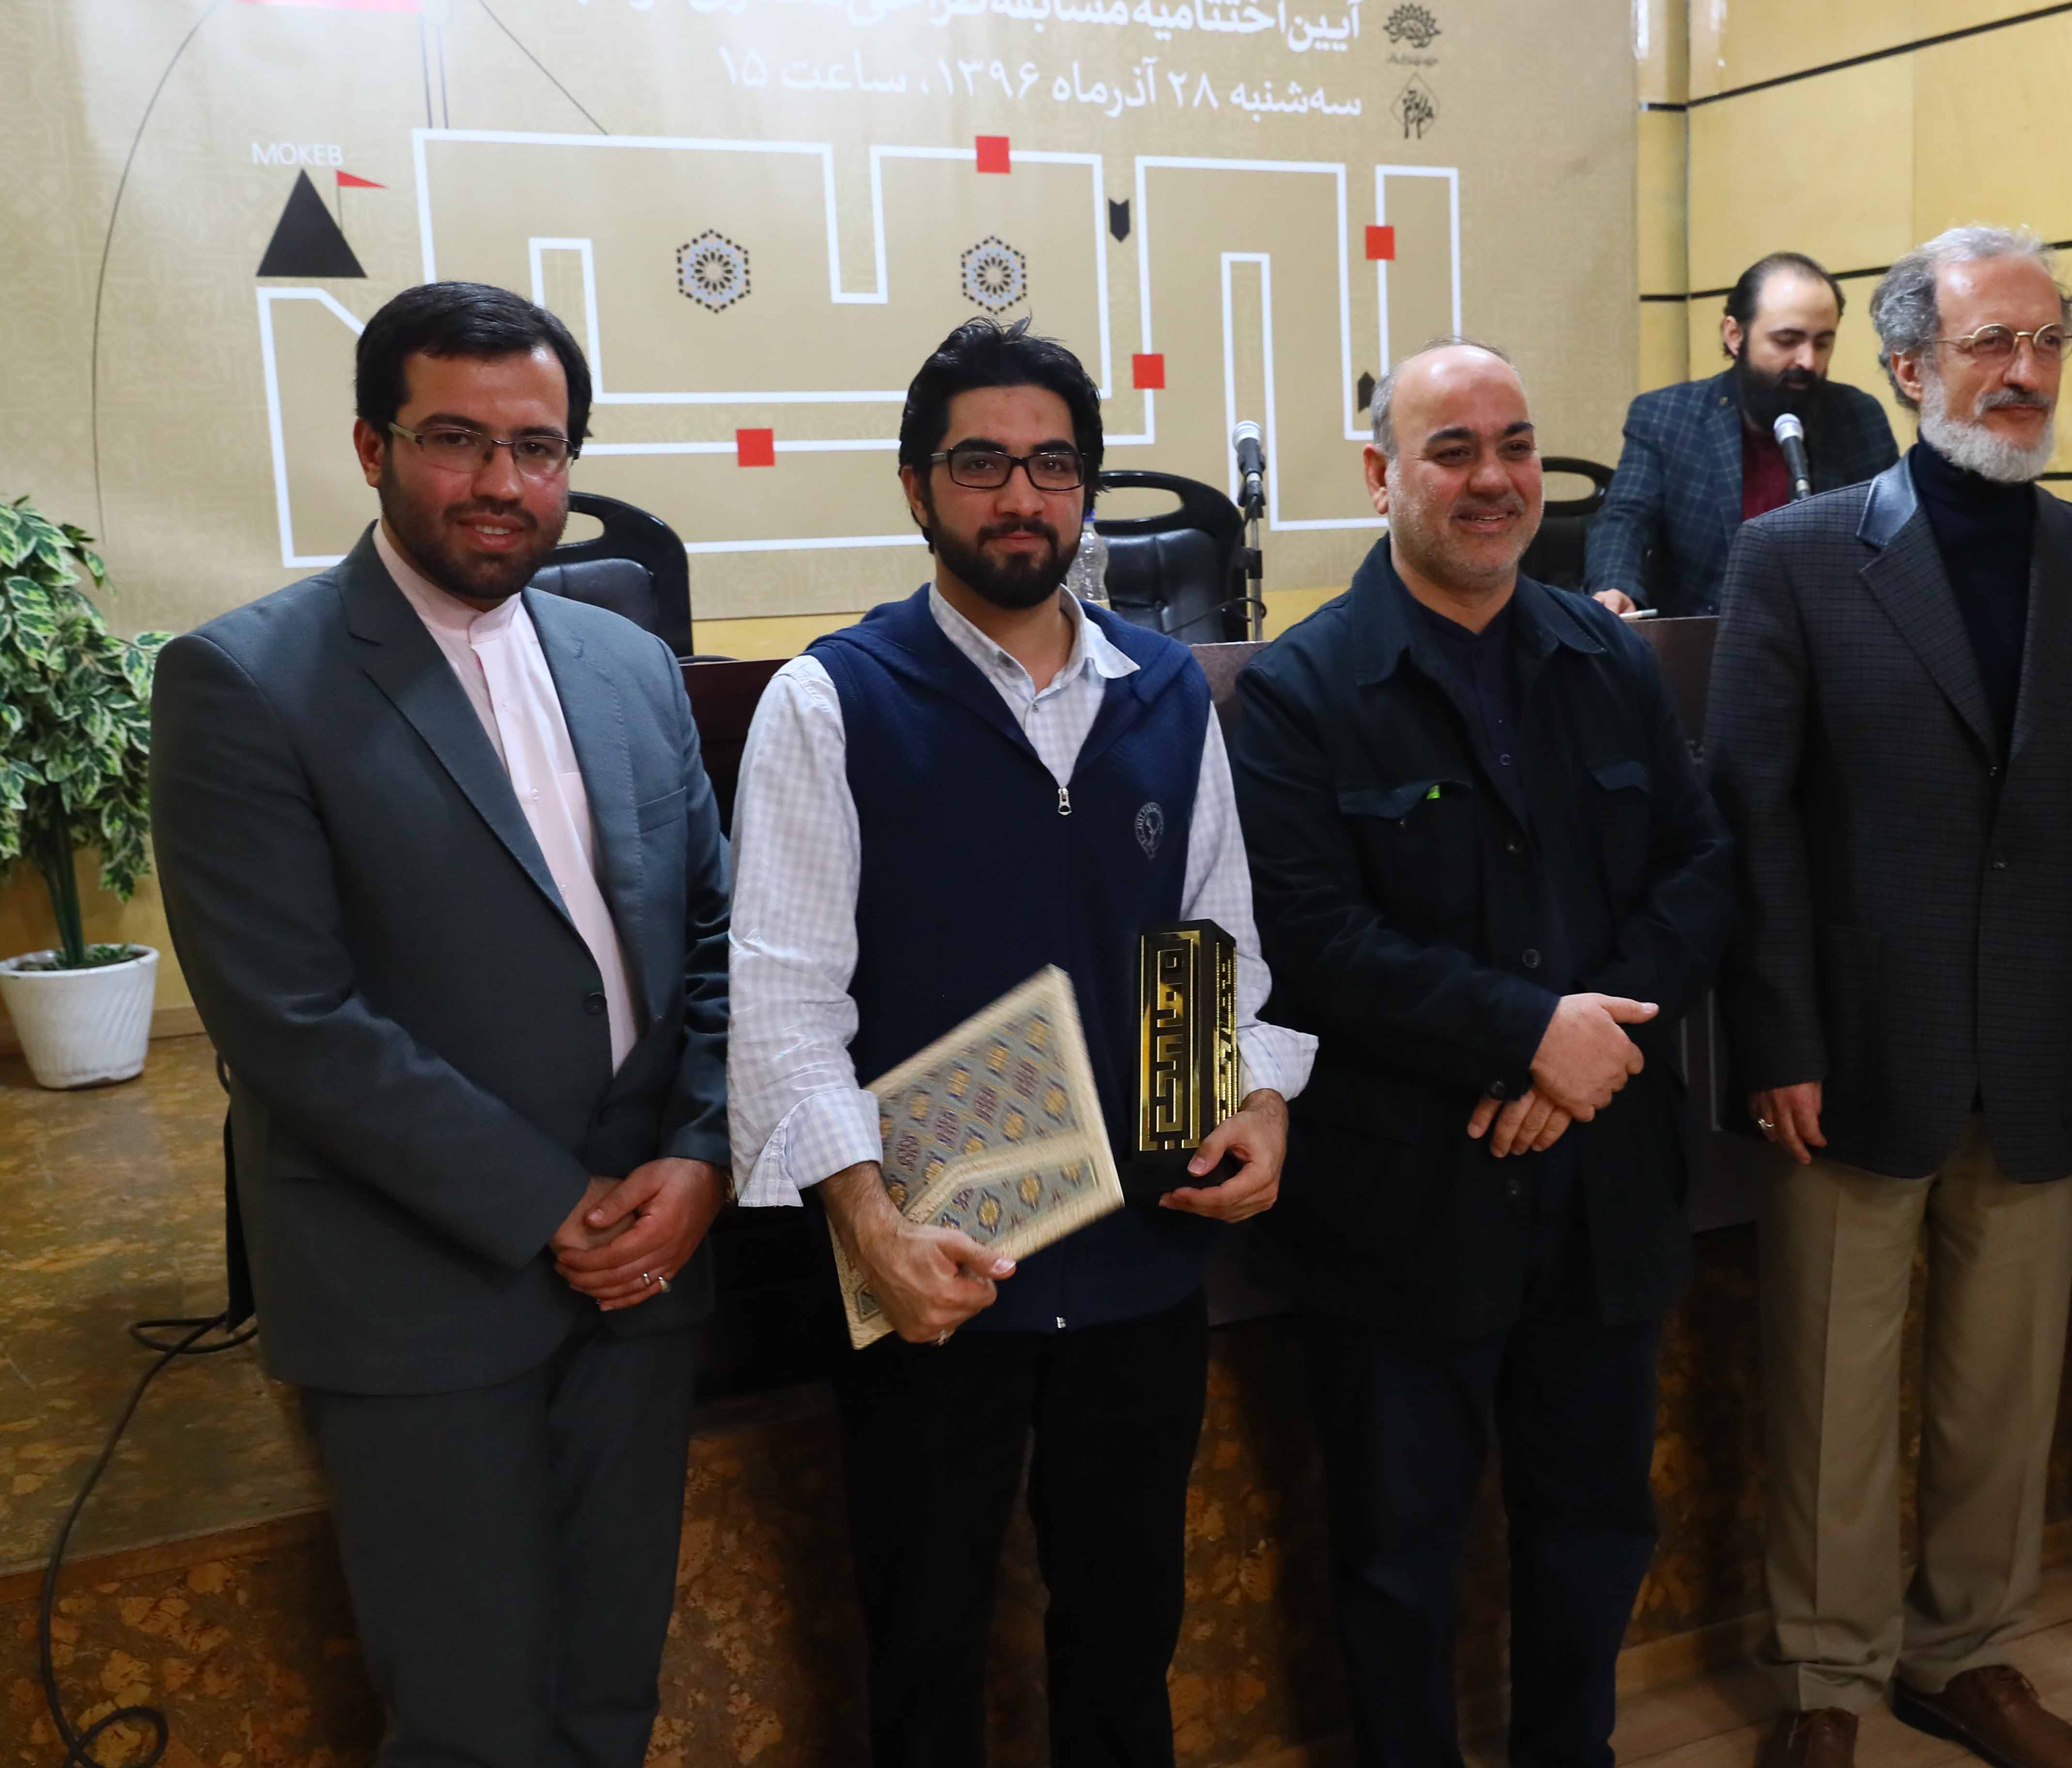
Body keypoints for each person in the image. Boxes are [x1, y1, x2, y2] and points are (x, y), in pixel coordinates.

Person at [149, 281, 730, 1765]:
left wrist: (701, 1154)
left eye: (538, 448)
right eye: (456, 439)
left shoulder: (629, 665)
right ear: (372, 446)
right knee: (471, 1723)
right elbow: (292, 1019)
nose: (501, 483)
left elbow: (721, 939)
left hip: (647, 1269)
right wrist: (553, 1205)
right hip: (417, 1288)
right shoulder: (243, 681)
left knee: (611, 1692)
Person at [725, 316, 1314, 1768]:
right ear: (916, 487)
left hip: (1139, 1258)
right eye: (980, 463)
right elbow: (786, 1004)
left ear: (1086, 490)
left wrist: (1252, 1102)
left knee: (1126, 1633)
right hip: (935, 1260)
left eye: (1053, 465)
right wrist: (872, 1230)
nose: (1020, 496)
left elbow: (1210, 941)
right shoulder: (831, 700)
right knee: (925, 1641)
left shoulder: (1165, 693)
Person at [1704, 226, 2072, 1768]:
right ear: (1910, 368)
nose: (2025, 372)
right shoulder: (1796, 555)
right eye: (1992, 344)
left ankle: (1966, 1652)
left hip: (2049, 1053)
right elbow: (1751, 818)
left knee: (2004, 1386)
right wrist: (1777, 1035)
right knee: (1832, 1391)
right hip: (1852, 1054)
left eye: (2046, 341)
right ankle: (1828, 1678)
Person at [1229, 338, 1734, 1766]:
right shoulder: (1301, 689)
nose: (1494, 478)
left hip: (1603, 1193)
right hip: (1406, 1200)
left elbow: (1698, 868)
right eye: (1451, 449)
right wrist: (1528, 1035)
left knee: (1594, 1529)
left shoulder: (1606, 658)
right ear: (1381, 473)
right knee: (1399, 1558)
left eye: (1514, 445)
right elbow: (1312, 939)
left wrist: (1588, 1045)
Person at [1587, 251, 1899, 616]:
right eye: (1787, 340)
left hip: (1829, 636)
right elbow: (1626, 521)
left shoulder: (1858, 417)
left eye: (1822, 343)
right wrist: (1616, 587)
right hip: (1705, 637)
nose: (1808, 361)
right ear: (1735, 335)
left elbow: (1892, 537)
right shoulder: (1666, 416)